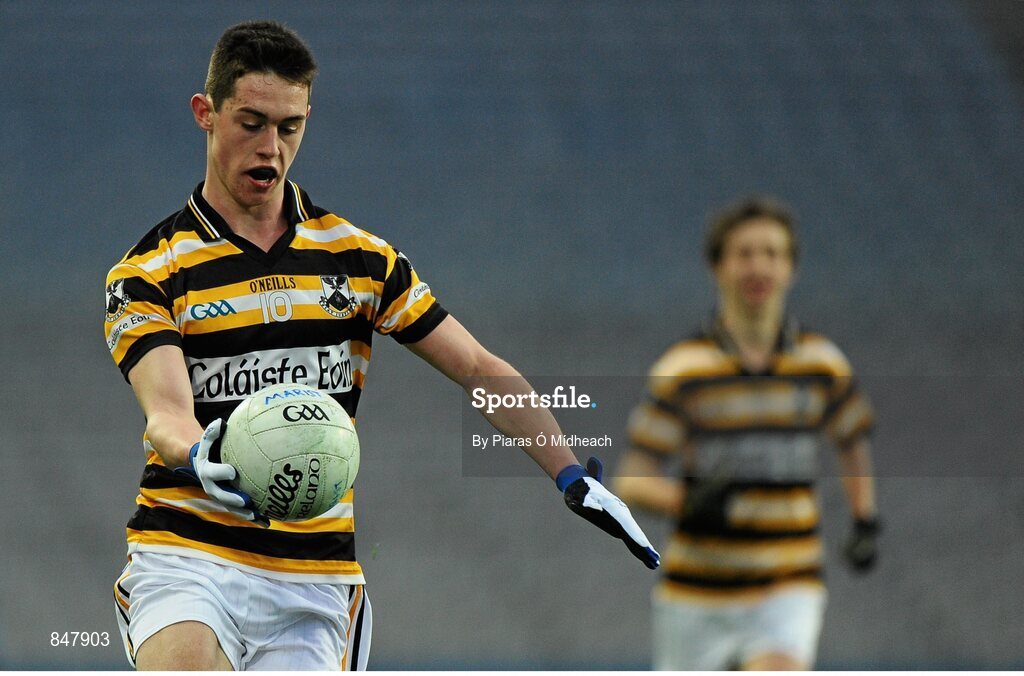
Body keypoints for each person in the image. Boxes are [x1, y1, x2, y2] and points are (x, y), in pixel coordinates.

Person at [104, 21, 658, 671]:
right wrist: (200, 453)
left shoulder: (360, 260)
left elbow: (478, 368)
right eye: (250, 123)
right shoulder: (148, 272)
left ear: (308, 118)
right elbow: (167, 413)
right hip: (186, 556)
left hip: (312, 581)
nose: (271, 149)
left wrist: (568, 473)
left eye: (289, 127)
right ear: (205, 113)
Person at [614, 196, 879, 671]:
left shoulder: (821, 364)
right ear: (717, 267)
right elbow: (632, 479)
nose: (758, 266)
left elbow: (852, 442)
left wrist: (864, 519)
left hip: (787, 583)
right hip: (697, 592)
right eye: (744, 253)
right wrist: (686, 503)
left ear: (791, 269)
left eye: (772, 253)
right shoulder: (684, 369)